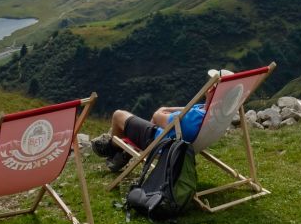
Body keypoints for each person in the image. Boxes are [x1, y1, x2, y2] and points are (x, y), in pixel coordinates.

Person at [91, 69, 230, 171]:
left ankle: (113, 148)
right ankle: (122, 152)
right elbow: (186, 109)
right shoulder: (214, 111)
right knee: (146, 120)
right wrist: (167, 108)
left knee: (118, 115)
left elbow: (158, 117)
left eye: (210, 83)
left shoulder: (194, 119)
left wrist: (161, 111)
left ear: (212, 89)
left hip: (160, 143)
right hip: (172, 137)